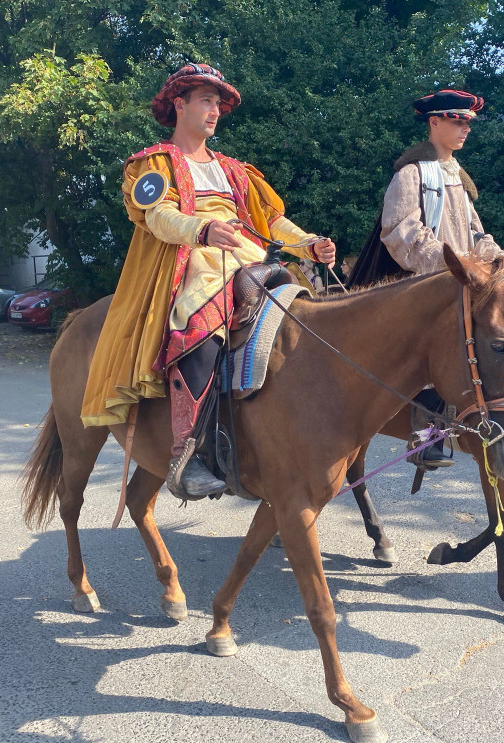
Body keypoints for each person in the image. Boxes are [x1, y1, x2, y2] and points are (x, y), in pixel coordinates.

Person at [81, 64, 335, 500]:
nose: (215, 110)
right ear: (179, 104)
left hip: (247, 256)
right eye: (206, 100)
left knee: (307, 313)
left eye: (218, 103)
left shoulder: (235, 171)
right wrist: (202, 230)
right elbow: (157, 216)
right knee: (201, 324)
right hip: (192, 259)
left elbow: (271, 221)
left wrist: (307, 244)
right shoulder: (155, 163)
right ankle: (187, 451)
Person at [373, 89, 504, 468]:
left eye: (468, 122)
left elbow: (476, 233)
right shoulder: (412, 172)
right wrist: (449, 263)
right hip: (428, 282)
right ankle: (425, 436)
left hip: (461, 281)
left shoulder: (459, 179)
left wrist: (500, 262)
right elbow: (400, 228)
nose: (466, 128)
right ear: (435, 122)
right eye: (457, 121)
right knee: (436, 351)